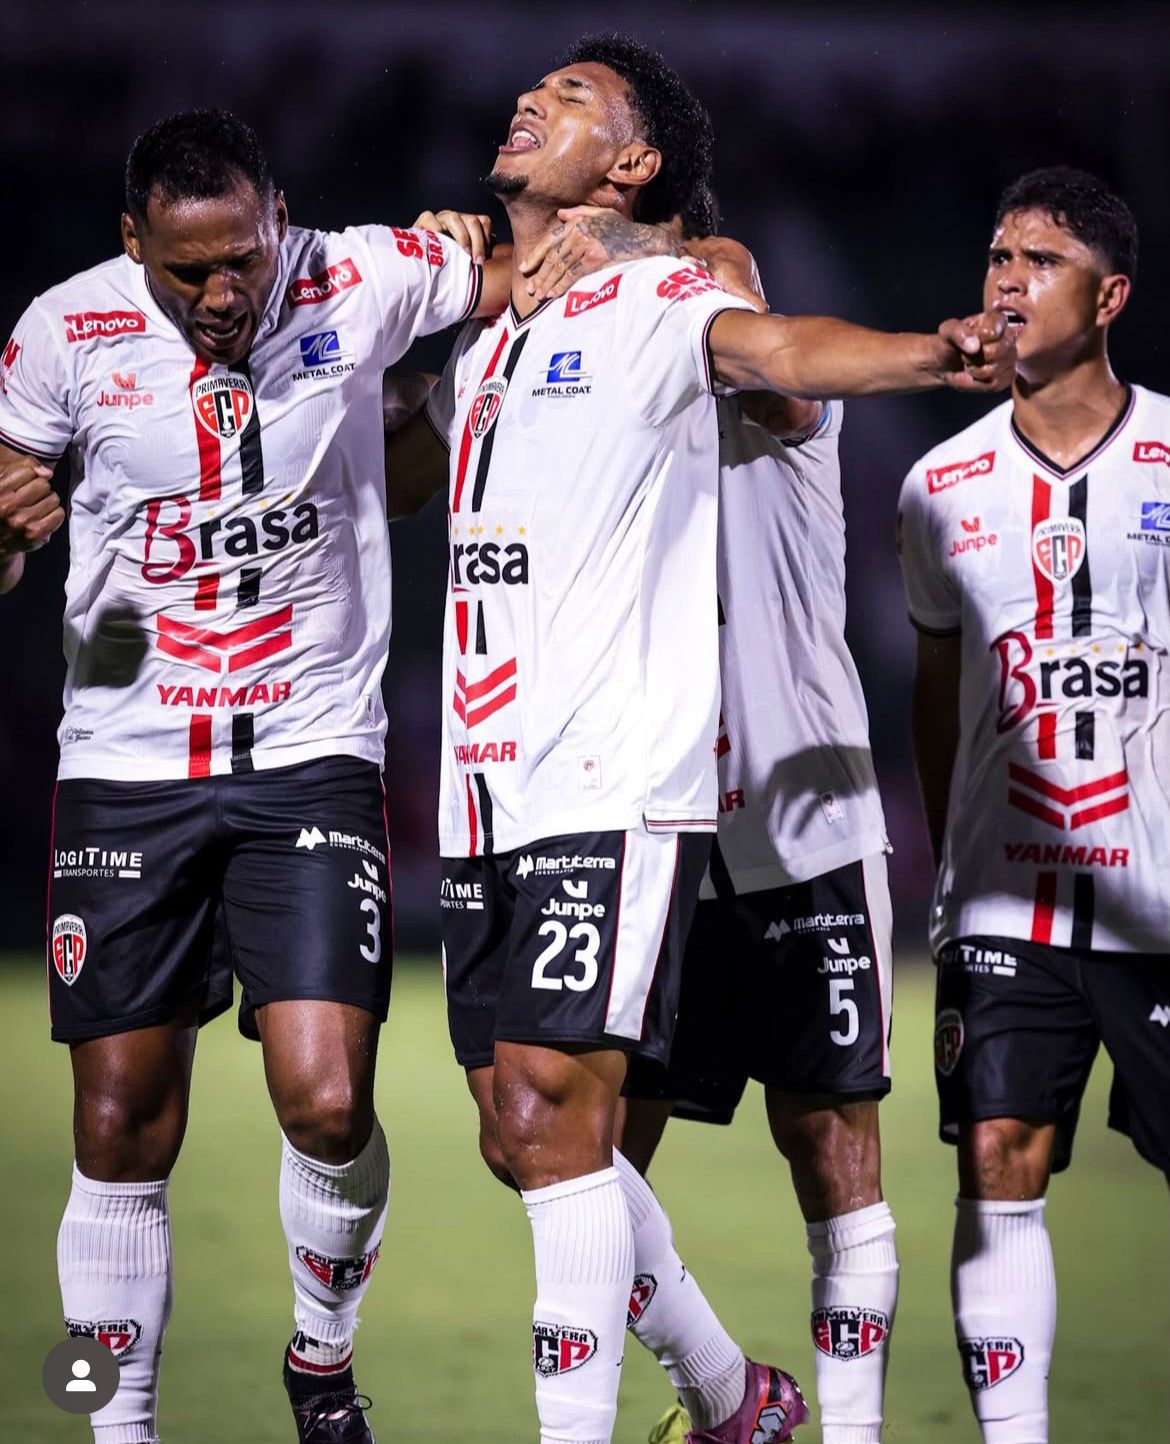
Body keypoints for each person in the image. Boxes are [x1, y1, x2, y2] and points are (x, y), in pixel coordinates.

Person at [390, 32, 1011, 1444]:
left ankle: (813, 1424)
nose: (530, 100)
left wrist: (928, 350)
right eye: (530, 91)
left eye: (574, 101)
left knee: (820, 1137)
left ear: (638, 170)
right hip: (549, 783)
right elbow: (398, 451)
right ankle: (735, 1396)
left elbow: (772, 342)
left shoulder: (693, 299)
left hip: (764, 806)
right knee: (536, 1139)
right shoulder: (515, 337)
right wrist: (441, 294)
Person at [0, 108, 508, 1444]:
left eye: (243, 259)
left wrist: (497, 253)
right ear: (132, 245)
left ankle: (321, 1360)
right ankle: (116, 1427)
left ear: (278, 215)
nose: (223, 294)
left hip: (308, 757)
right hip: (124, 773)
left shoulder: (359, 275)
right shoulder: (62, 334)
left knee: (330, 1101)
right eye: (188, 272)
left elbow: (540, 271)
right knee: (117, 1127)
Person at [607, 189, 899, 1444]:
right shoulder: (607, 416)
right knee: (576, 1151)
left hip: (805, 823)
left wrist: (653, 262)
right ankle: (727, 1395)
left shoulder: (778, 385)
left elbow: (733, 293)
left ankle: (849, 1429)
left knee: (829, 1138)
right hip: (657, 823)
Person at [897, 166, 1167, 1444]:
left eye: (1040, 260)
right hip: (1008, 896)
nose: (1005, 280)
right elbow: (939, 692)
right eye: (997, 255)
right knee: (997, 1154)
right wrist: (952, 860)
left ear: (1108, 296)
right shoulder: (938, 485)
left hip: (1160, 895)